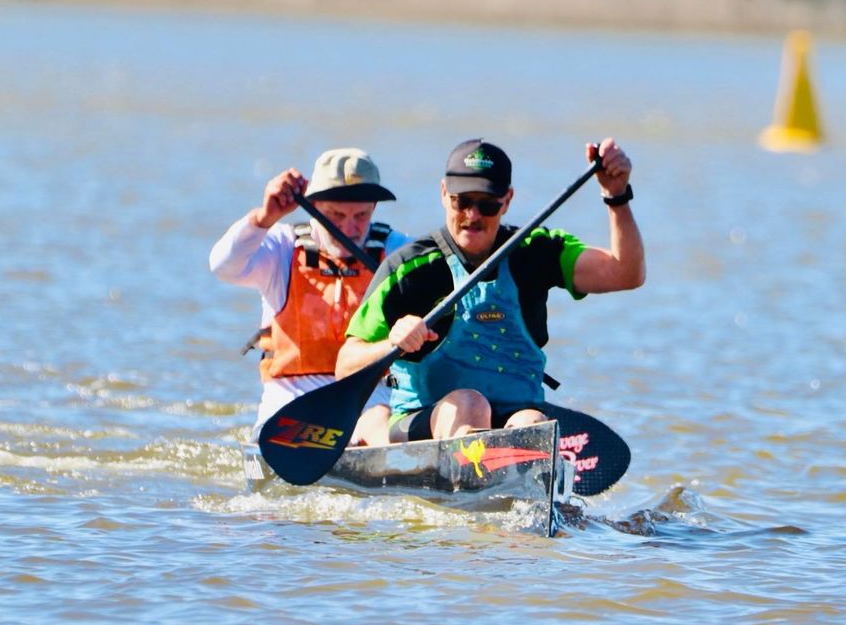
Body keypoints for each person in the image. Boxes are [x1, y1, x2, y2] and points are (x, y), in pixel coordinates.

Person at [337, 137, 644, 443]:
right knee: (470, 404)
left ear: (507, 200)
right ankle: (375, 429)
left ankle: (504, 471)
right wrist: (392, 344)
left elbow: (626, 274)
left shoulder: (536, 251)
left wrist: (616, 195)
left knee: (532, 422)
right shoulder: (408, 268)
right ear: (444, 194)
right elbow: (344, 366)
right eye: (463, 202)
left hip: (514, 417)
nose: (473, 215)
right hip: (425, 422)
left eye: (487, 205)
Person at [210, 148, 408, 446]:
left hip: (369, 405)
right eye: (336, 215)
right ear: (313, 206)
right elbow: (223, 266)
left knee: (380, 418)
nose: (349, 228)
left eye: (361, 215)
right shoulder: (282, 248)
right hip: (291, 407)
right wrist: (264, 217)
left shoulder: (397, 252)